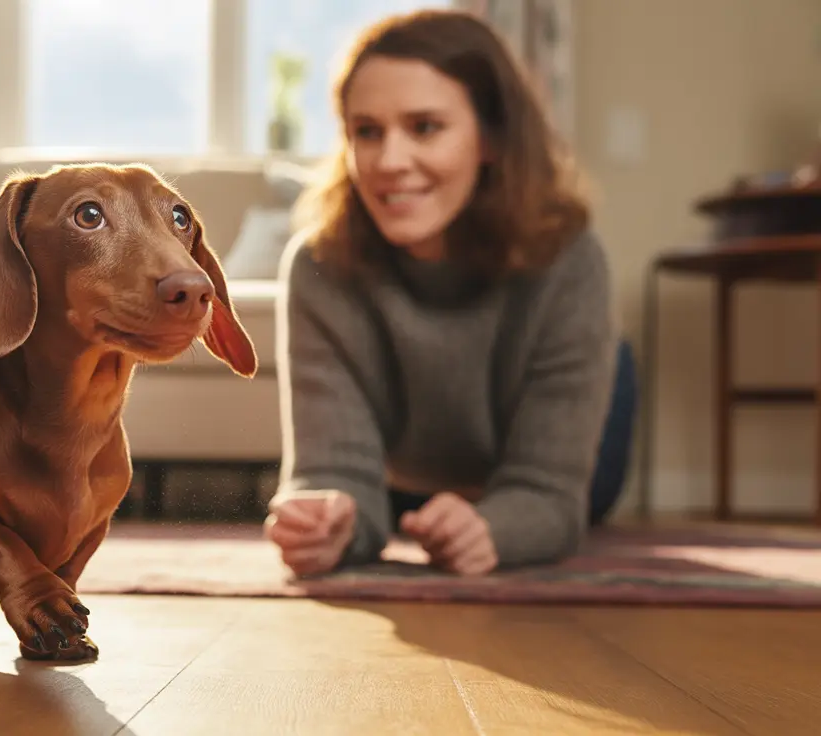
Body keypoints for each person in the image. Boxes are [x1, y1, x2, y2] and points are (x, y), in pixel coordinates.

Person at [263, 9, 638, 578]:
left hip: (561, 447)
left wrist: (496, 530)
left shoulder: (571, 257)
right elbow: (331, 473)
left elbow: (550, 496)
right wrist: (326, 522)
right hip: (410, 481)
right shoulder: (318, 268)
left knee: (584, 475)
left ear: (490, 138)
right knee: (414, 515)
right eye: (367, 131)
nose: (389, 162)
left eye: (425, 127)